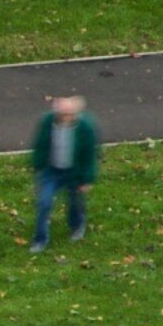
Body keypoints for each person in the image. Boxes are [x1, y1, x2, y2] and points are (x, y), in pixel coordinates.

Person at [32, 93, 101, 249]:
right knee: (44, 203)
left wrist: (86, 179)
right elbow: (41, 146)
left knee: (75, 203)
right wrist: (38, 169)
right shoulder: (48, 123)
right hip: (52, 171)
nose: (66, 118)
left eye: (70, 115)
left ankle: (77, 225)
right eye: (62, 114)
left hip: (73, 172)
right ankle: (40, 239)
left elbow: (89, 155)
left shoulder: (85, 128)